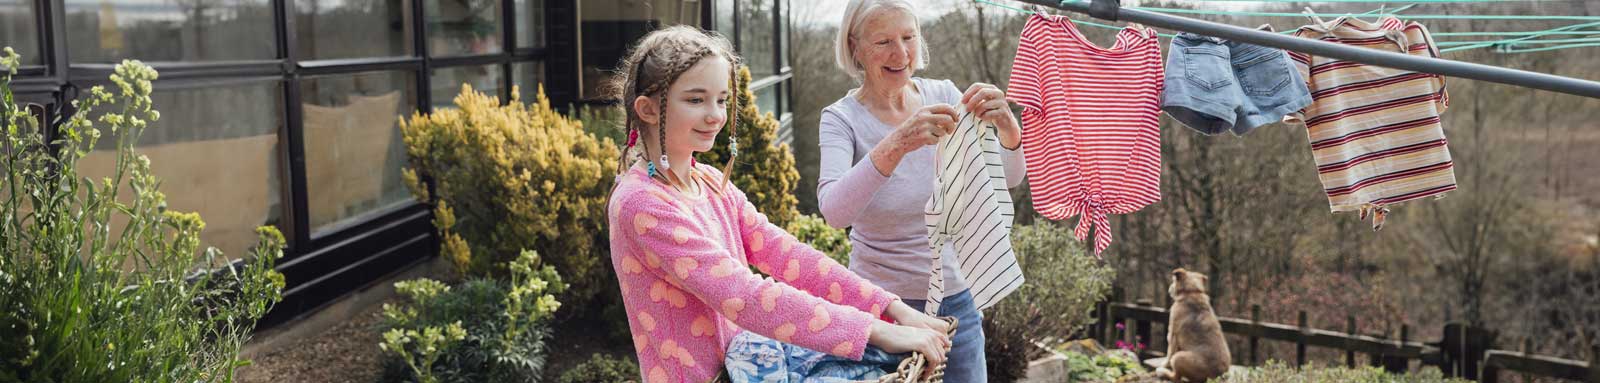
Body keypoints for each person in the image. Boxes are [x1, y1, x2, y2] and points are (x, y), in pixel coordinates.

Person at [605, 25, 951, 383]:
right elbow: (743, 295)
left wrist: (889, 308)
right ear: (647, 109)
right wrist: (875, 330)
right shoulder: (642, 204)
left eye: (722, 99)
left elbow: (787, 254)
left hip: (741, 371)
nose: (715, 115)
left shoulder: (707, 180)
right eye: (695, 100)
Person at [818, 1, 1028, 381]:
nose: (900, 53)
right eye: (883, 41)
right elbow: (834, 211)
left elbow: (1006, 179)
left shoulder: (944, 96)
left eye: (908, 37)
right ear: (855, 47)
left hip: (957, 306)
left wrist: (1010, 132)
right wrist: (897, 143)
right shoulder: (841, 119)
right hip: (881, 312)